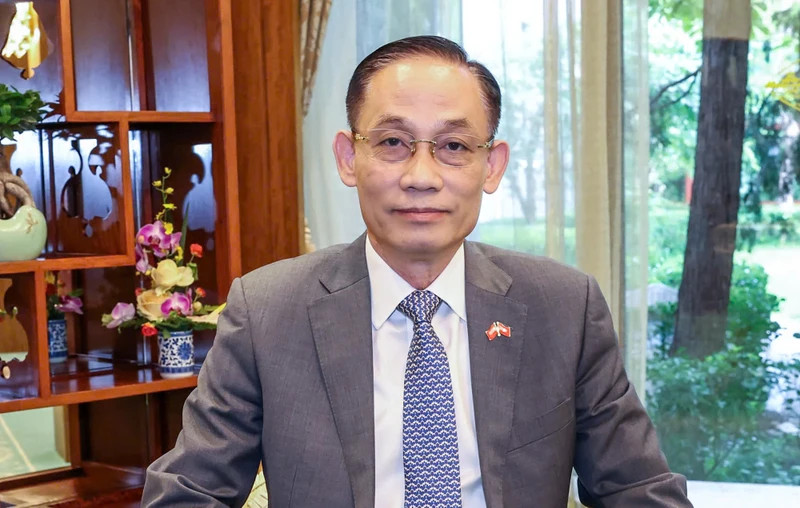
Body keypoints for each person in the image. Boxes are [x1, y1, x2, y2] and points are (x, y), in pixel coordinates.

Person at [142, 35, 692, 507]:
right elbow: (189, 492)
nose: (422, 176)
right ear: (348, 158)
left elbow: (638, 490)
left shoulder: (564, 307)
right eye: (392, 143)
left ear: (492, 165)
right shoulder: (266, 310)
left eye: (454, 145)